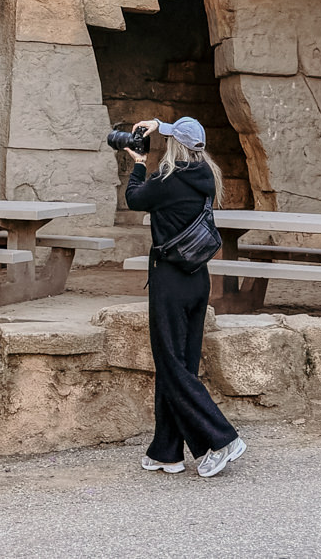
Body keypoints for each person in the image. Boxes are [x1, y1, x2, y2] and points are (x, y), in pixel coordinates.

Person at [124, 116, 246, 478]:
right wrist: (161, 125)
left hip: (171, 280)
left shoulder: (167, 181)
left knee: (172, 365)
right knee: (181, 365)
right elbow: (184, 136)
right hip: (197, 279)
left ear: (174, 145)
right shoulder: (206, 176)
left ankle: (222, 439)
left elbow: (134, 198)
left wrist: (139, 165)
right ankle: (167, 451)